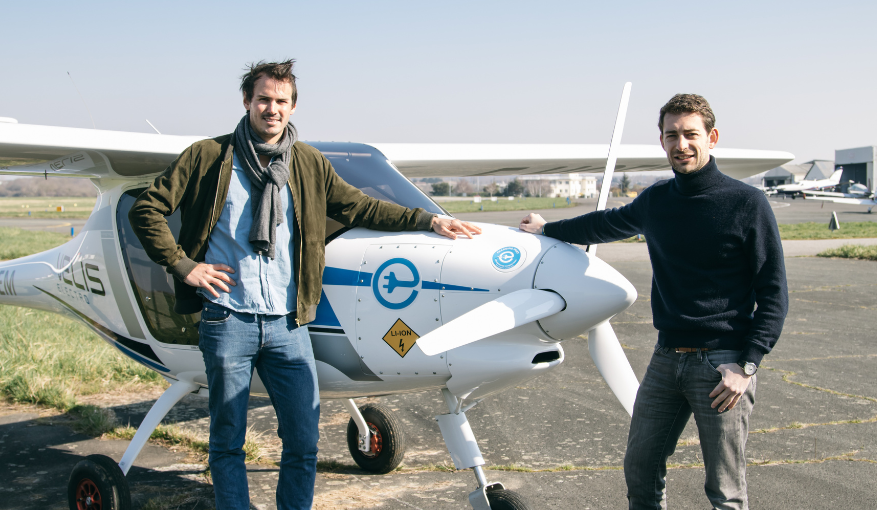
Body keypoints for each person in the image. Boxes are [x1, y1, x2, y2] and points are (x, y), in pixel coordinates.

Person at [129, 59, 481, 510]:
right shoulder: (209, 156)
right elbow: (147, 209)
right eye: (263, 99)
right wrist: (183, 266)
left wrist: (430, 219)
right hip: (225, 317)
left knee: (303, 439)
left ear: (293, 107)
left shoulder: (308, 163)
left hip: (288, 325)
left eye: (280, 101)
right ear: (246, 102)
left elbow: (361, 208)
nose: (271, 109)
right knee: (227, 440)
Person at [520, 94, 787, 509]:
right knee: (641, 470)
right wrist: (547, 228)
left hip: (722, 365)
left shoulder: (746, 203)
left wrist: (748, 364)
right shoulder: (657, 201)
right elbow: (604, 224)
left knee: (725, 489)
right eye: (672, 135)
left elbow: (774, 293)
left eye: (690, 134)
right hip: (666, 360)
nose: (681, 144)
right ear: (661, 142)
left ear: (711, 138)